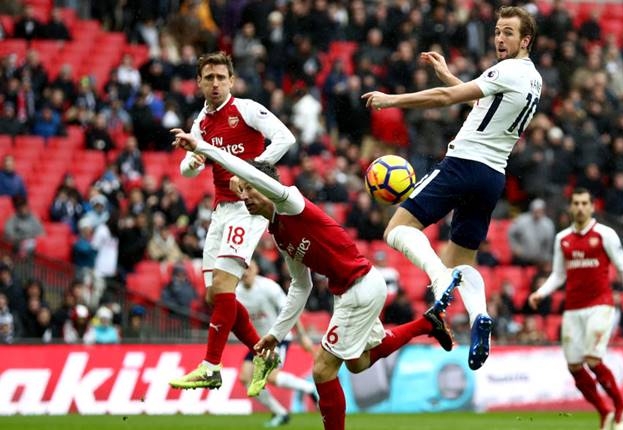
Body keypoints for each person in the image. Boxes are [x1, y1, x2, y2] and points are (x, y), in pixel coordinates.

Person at [171, 129, 459, 430]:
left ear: (265, 187)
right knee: (359, 363)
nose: (244, 199)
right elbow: (301, 287)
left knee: (322, 370)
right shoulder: (279, 234)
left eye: (249, 190)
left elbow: (251, 173)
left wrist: (203, 147)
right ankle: (428, 323)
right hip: (351, 291)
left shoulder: (290, 202)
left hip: (360, 286)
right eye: (241, 193)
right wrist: (277, 333)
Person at [361, 5, 542, 370]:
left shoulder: (507, 70)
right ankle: (480, 316)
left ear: (526, 40)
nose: (499, 38)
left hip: (463, 163)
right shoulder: (533, 80)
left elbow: (447, 101)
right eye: (496, 31)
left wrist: (391, 100)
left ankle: (439, 279)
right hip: (492, 176)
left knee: (397, 230)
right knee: (462, 261)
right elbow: (481, 101)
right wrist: (446, 74)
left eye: (508, 32)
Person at [169, 51, 296, 390]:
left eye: (221, 78)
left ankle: (211, 365)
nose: (215, 84)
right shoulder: (202, 123)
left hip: (248, 207)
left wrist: (253, 171)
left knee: (224, 285)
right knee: (215, 296)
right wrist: (194, 159)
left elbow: (286, 138)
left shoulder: (247, 109)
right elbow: (185, 167)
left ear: (231, 81)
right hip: (220, 210)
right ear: (198, 82)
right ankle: (264, 354)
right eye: (208, 78)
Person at [528, 188, 623, 430]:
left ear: (592, 207)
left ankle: (621, 405)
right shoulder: (563, 239)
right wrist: (542, 292)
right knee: (575, 366)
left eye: (584, 203)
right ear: (571, 207)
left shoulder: (605, 234)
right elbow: (559, 274)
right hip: (573, 309)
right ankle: (604, 411)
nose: (580, 208)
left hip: (600, 305)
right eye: (576, 203)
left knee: (592, 358)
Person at [236, 260, 318, 427]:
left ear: (256, 268)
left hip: (276, 338)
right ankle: (280, 413)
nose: (245, 273)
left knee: (270, 376)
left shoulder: (268, 287)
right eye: (242, 269)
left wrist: (302, 336)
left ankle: (309, 388)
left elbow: (290, 310)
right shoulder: (236, 293)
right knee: (245, 378)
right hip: (257, 341)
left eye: (249, 268)